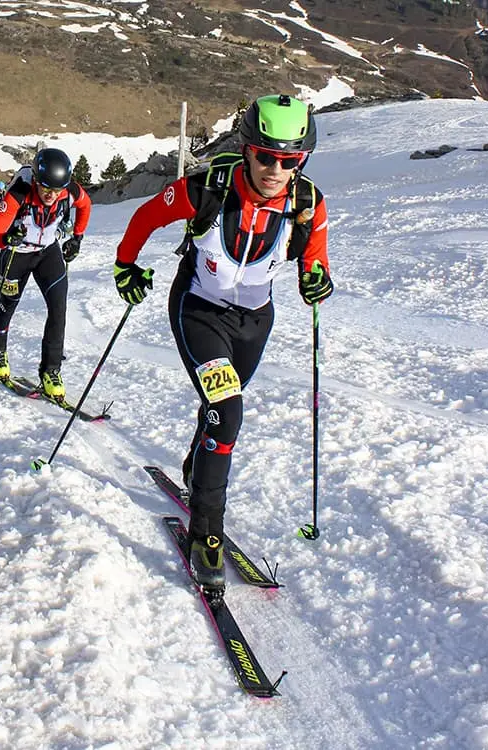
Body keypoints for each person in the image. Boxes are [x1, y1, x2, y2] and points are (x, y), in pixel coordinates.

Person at [113, 94, 332, 596]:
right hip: (199, 310)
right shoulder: (208, 188)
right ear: (249, 148)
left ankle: (197, 465)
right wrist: (126, 265)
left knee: (219, 407)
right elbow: (146, 216)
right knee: (227, 409)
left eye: (290, 160)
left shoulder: (307, 205)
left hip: (255, 323)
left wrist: (318, 281)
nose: (277, 169)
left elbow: (314, 264)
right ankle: (205, 535)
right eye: (266, 156)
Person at [0, 147, 91, 399]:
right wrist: (7, 237)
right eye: (45, 189)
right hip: (15, 255)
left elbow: (86, 206)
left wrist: (78, 236)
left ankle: (51, 370)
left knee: (58, 308)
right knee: (8, 304)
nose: (52, 195)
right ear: (35, 181)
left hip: (47, 253)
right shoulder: (18, 195)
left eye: (57, 190)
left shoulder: (70, 191)